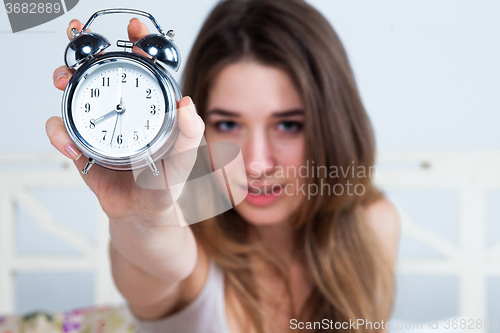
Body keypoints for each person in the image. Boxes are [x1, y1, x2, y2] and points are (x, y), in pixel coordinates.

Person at [47, 0, 400, 332]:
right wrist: (142, 216)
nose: (258, 163)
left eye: (289, 125)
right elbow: (152, 254)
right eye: (229, 125)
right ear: (195, 123)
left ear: (332, 125)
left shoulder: (372, 225)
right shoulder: (185, 226)